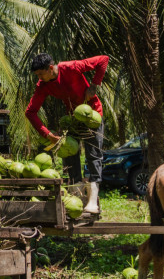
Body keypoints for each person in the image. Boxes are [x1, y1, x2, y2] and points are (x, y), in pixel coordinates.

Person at [25, 53, 109, 214]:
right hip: (72, 119)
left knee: (93, 155)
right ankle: (77, 197)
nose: (39, 78)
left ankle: (92, 202)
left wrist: (94, 85)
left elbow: (103, 60)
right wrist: (47, 134)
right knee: (70, 155)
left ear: (51, 68)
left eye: (41, 74)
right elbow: (30, 112)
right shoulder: (43, 85)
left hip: (92, 114)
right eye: (37, 75)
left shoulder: (70, 67)